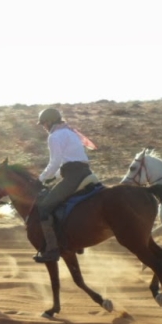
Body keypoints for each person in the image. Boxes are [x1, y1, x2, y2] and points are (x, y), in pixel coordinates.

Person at [34, 107, 95, 263]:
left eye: (43, 124)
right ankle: (75, 240)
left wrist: (40, 179)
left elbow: (55, 162)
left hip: (73, 175)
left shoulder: (54, 136)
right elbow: (67, 162)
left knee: (45, 207)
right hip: (85, 172)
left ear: (49, 122)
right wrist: (53, 178)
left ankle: (53, 250)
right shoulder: (70, 132)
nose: (44, 127)